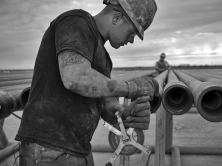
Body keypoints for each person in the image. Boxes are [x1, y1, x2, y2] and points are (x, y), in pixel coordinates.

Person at [15, 0, 158, 165]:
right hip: (48, 149)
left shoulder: (104, 59)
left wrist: (127, 115)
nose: (131, 40)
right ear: (117, 18)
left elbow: (106, 107)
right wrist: (133, 88)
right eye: (132, 32)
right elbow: (74, 77)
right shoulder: (76, 22)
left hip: (79, 150)